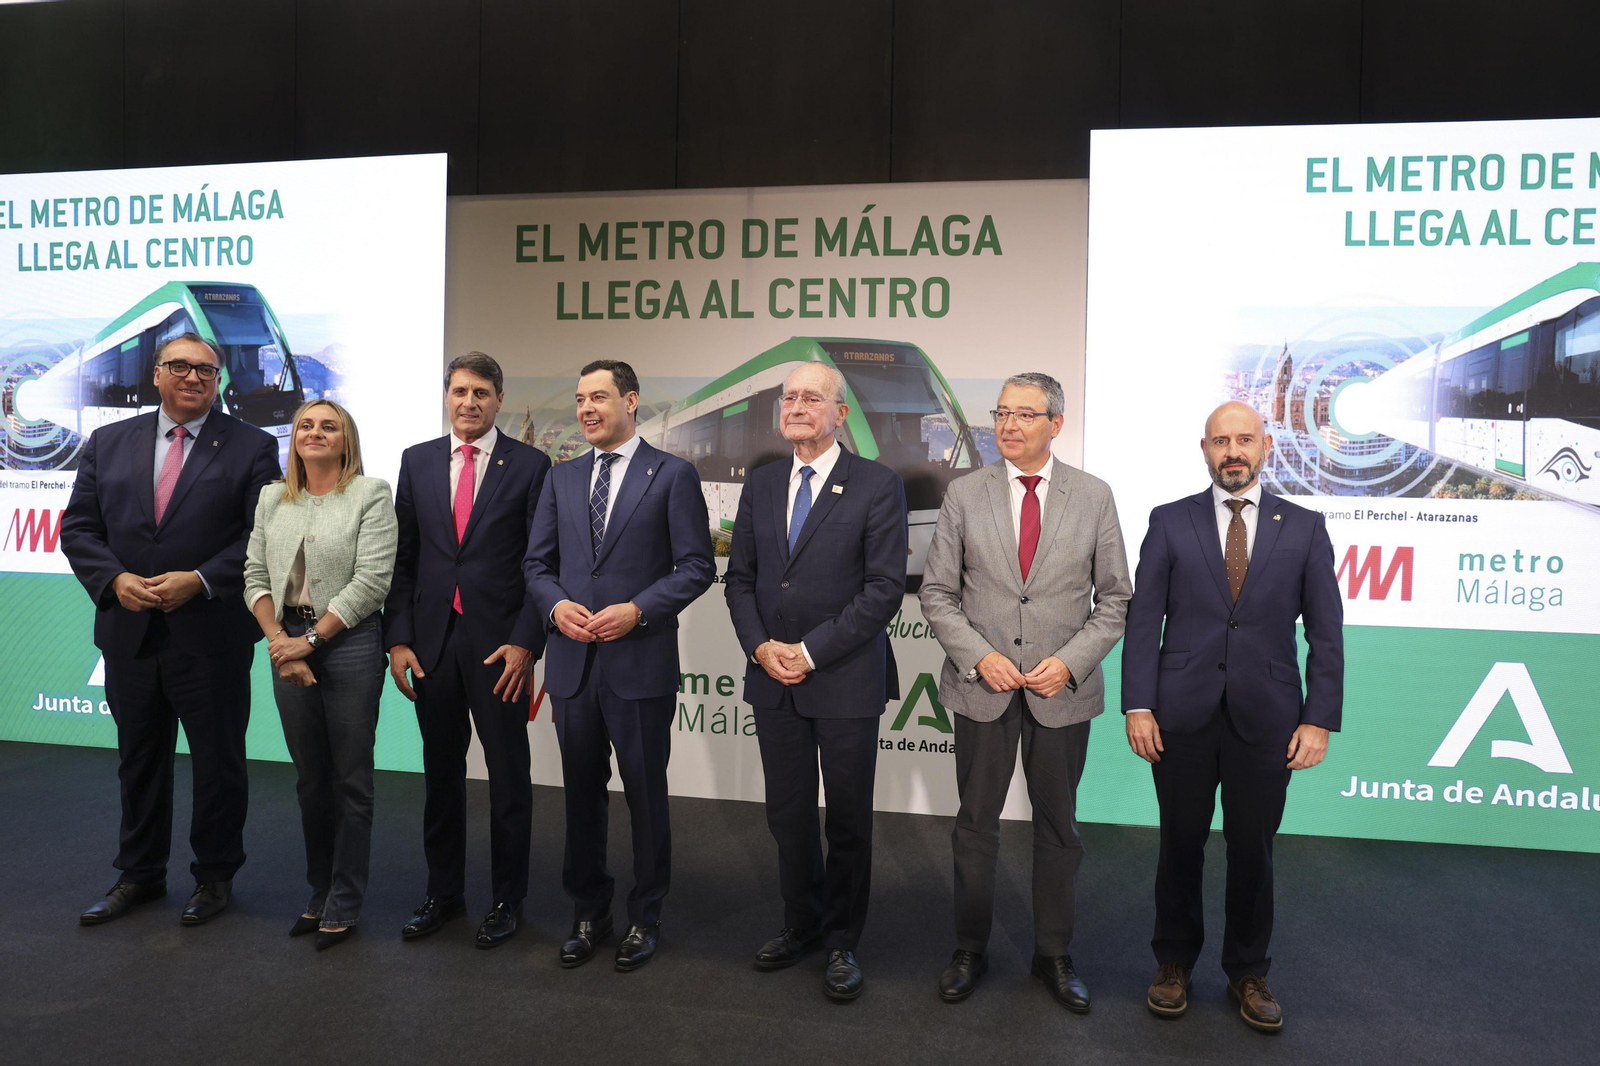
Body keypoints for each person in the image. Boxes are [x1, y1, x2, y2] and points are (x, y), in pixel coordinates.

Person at [1122, 400, 1343, 1032]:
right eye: (1221, 442)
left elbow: (1327, 632)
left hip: (1268, 719)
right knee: (1179, 846)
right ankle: (1173, 963)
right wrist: (1139, 703)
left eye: (1244, 439)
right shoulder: (1170, 521)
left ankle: (1249, 970)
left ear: (1265, 446)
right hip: (1179, 717)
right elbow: (1144, 623)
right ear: (1204, 449)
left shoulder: (1303, 526)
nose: (1233, 452)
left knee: (1254, 850)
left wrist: (1318, 718)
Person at [919, 371, 1131, 1012]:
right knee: (975, 825)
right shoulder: (965, 494)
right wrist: (979, 656)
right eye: (1002, 413)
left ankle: (1054, 953)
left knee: (1058, 828)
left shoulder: (1093, 497)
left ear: (1055, 425)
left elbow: (1116, 598)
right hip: (981, 686)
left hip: (1061, 691)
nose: (1008, 425)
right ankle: (969, 947)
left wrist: (1069, 664)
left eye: (1025, 415)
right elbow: (937, 592)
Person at [61, 332, 280, 926]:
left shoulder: (253, 447)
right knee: (138, 760)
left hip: (210, 633)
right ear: (156, 374)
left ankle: (214, 877)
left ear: (219, 382)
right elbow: (79, 528)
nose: (192, 378)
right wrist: (113, 580)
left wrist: (202, 580)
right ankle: (139, 874)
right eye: (179, 367)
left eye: (206, 371)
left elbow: (261, 537)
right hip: (129, 632)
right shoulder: (107, 443)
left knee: (217, 762)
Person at [724, 361, 908, 1002]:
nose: (797, 406)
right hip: (773, 676)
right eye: (790, 396)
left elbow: (885, 589)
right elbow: (739, 580)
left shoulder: (877, 485)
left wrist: (810, 650)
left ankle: (841, 941)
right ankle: (799, 923)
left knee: (849, 818)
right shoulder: (764, 482)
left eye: (812, 397)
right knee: (788, 814)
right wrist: (760, 647)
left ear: (840, 414)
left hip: (845, 677)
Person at [523, 359, 714, 971]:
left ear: (632, 401)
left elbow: (695, 567)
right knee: (580, 794)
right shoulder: (562, 477)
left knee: (645, 796)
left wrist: (638, 610)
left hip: (639, 661)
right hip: (573, 663)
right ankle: (589, 911)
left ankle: (646, 915)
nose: (585, 409)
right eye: (580, 399)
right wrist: (554, 608)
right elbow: (536, 566)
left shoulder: (674, 475)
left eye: (598, 397)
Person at [385, 352, 551, 948]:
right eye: (459, 391)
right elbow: (403, 560)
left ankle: (508, 900)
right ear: (446, 395)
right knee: (440, 774)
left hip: (500, 649)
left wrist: (526, 643)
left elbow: (541, 564)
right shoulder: (417, 460)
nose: (469, 402)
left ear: (499, 399)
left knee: (508, 776)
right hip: (432, 643)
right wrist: (398, 638)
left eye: (481, 392)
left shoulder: (531, 465)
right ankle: (443, 893)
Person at [244, 400, 396, 949]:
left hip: (349, 643)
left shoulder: (370, 493)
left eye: (328, 426)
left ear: (346, 440)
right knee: (310, 779)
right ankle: (319, 888)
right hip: (287, 641)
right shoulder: (272, 498)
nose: (314, 432)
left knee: (350, 779)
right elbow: (255, 573)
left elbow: (372, 581)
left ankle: (347, 897)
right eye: (306, 424)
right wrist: (279, 644)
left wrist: (306, 644)